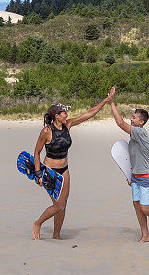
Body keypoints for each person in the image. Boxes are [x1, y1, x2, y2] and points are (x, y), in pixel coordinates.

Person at [31, 87, 116, 240]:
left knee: (63, 205)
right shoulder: (46, 131)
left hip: (64, 170)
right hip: (50, 171)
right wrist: (38, 174)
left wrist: (105, 100)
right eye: (64, 112)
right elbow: (36, 152)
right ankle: (38, 223)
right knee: (59, 205)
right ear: (56, 115)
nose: (67, 115)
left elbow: (88, 114)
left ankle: (56, 235)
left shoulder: (68, 125)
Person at [108, 91, 149, 243]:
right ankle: (145, 235)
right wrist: (130, 175)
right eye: (131, 117)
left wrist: (112, 102)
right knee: (137, 205)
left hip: (147, 174)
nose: (131, 119)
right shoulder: (134, 136)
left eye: (133, 118)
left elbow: (120, 124)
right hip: (136, 175)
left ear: (141, 122)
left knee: (145, 207)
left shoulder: (140, 132)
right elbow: (130, 158)